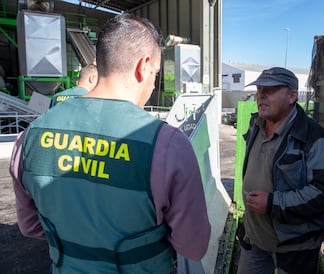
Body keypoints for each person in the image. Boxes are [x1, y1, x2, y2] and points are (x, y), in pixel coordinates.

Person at [10, 13, 211, 273]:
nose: (153, 83)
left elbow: (30, 226)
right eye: (156, 74)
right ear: (143, 67)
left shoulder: (29, 138)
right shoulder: (167, 144)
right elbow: (194, 246)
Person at [237, 67, 324, 274]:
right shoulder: (255, 124)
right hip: (255, 238)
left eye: (271, 90)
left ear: (293, 96)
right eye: (259, 90)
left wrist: (273, 203)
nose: (261, 96)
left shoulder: (313, 136)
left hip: (295, 247)